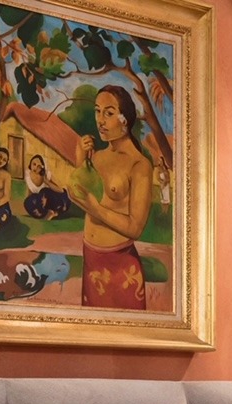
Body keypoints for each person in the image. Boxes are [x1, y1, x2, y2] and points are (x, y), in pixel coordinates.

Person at [67, 85, 153, 310]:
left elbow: (135, 228)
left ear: (125, 120)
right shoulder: (96, 157)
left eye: (109, 113)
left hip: (120, 266)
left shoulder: (139, 165)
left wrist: (95, 209)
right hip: (91, 259)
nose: (100, 120)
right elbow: (82, 194)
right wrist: (80, 161)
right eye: (97, 111)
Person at [23, 154, 71, 220]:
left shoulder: (47, 175)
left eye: (39, 166)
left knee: (44, 191)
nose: (36, 167)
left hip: (60, 200)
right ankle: (45, 213)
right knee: (28, 202)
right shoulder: (28, 175)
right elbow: (30, 191)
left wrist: (47, 182)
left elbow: (61, 190)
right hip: (42, 200)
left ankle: (54, 212)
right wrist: (29, 203)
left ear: (42, 168)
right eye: (34, 164)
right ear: (30, 164)